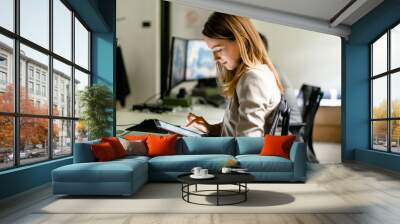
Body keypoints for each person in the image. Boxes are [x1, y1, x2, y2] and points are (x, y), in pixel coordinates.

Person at [185, 12, 283, 137]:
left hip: (231, 156)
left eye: (219, 49)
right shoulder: (256, 73)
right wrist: (210, 128)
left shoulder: (253, 78)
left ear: (240, 41)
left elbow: (248, 145)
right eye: (212, 51)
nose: (215, 58)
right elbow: (236, 130)